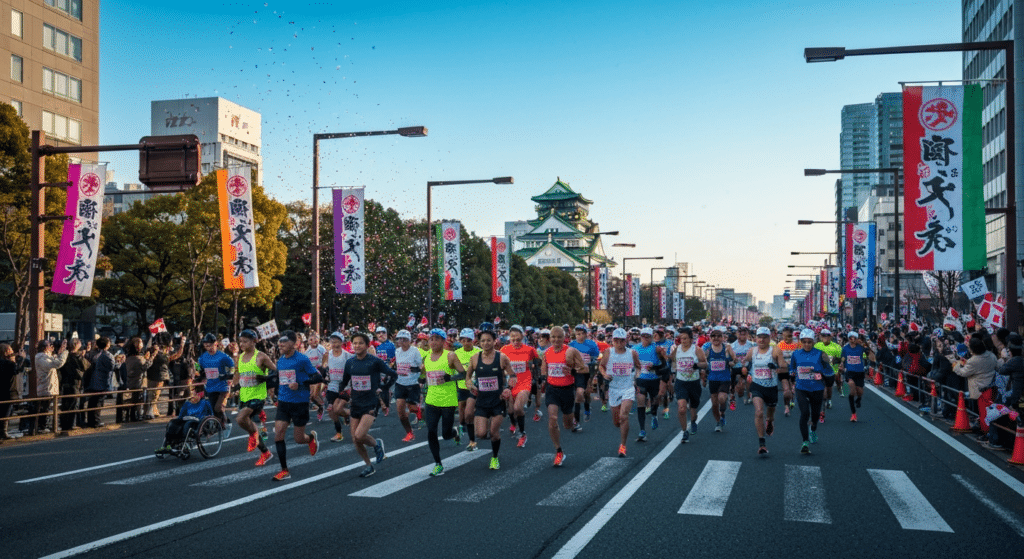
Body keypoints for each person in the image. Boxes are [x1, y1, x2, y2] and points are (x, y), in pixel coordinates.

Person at [342, 332, 398, 478]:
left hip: (371, 403)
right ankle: (368, 465)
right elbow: (345, 381)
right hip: (355, 403)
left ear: (367, 345)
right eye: (354, 343)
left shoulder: (374, 361)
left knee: (360, 435)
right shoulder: (350, 363)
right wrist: (339, 392)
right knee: (355, 439)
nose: (357, 346)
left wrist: (384, 388)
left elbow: (393, 374)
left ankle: (376, 444)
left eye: (360, 343)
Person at [271, 330, 323, 481]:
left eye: (284, 341)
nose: (280, 344)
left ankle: (311, 438)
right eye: (279, 341)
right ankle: (284, 470)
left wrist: (300, 383)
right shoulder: (280, 360)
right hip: (284, 402)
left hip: (299, 403)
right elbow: (279, 379)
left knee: (299, 439)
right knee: (278, 433)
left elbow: (317, 377)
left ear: (294, 344)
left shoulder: (302, 359)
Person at [468, 329, 515, 470]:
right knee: (480, 434)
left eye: (489, 340)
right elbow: (467, 378)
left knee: (494, 434)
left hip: (497, 400)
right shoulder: (475, 358)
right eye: (483, 340)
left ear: (495, 341)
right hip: (482, 401)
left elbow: (512, 376)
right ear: (479, 342)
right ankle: (488, 427)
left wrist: (508, 389)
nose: (486, 343)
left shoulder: (502, 357)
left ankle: (494, 457)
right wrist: (471, 386)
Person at [422, 328, 467, 476]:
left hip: (448, 400)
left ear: (443, 341)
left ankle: (454, 432)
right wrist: (420, 377)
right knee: (431, 431)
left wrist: (450, 378)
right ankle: (438, 463)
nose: (433, 342)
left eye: (436, 339)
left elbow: (463, 374)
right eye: (431, 339)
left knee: (446, 434)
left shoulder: (450, 356)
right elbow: (425, 374)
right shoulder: (427, 357)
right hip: (431, 400)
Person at [542, 326, 588, 467]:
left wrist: (572, 371)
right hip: (552, 390)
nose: (556, 340)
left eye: (559, 337)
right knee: (553, 418)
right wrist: (543, 380)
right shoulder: (547, 352)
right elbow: (545, 368)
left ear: (564, 338)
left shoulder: (571, 351)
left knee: (567, 425)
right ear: (550, 338)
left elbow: (585, 369)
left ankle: (573, 419)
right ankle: (558, 451)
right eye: (553, 337)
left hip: (567, 390)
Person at [233, 330, 276, 466]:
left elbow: (276, 372)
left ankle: (255, 433)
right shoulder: (239, 357)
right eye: (240, 342)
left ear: (254, 341)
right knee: (243, 423)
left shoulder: (261, 357)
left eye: (245, 341)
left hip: (258, 395)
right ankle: (265, 452)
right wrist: (234, 388)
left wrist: (266, 378)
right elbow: (237, 374)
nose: (242, 344)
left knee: (241, 418)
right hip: (245, 395)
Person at [742, 327, 786, 455]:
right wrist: (745, 368)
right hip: (757, 386)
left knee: (770, 414)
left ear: (769, 338)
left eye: (764, 337)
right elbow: (745, 361)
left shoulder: (775, 351)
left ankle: (770, 421)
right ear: (756, 338)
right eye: (759, 337)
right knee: (759, 412)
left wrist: (777, 366)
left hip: (771, 388)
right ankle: (762, 443)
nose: (761, 340)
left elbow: (783, 365)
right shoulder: (753, 351)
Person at [599, 328, 642, 457]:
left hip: (628, 388)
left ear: (626, 340)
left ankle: (622, 446)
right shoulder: (608, 352)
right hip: (613, 389)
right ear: (612, 340)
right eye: (616, 340)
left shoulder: (632, 353)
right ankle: (622, 432)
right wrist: (605, 374)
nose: (619, 343)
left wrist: (636, 376)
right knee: (617, 422)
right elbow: (601, 366)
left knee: (624, 416)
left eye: (621, 340)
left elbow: (638, 367)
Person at [791, 329, 830, 454]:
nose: (807, 344)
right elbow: (792, 369)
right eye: (804, 342)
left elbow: (829, 371)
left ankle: (813, 429)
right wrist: (791, 377)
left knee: (815, 414)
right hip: (801, 388)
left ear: (813, 342)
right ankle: (805, 442)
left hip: (817, 388)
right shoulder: (796, 354)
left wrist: (823, 377)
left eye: (809, 342)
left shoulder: (820, 354)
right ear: (801, 342)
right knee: (804, 413)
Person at [951, 337, 998, 436]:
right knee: (990, 412)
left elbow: (964, 372)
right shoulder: (991, 355)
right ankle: (988, 432)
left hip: (980, 389)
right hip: (992, 387)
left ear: (973, 349)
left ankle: (986, 434)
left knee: (983, 413)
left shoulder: (974, 360)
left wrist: (956, 366)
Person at [502, 325, 540, 448]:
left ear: (522, 337)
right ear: (509, 337)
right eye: (513, 339)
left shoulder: (529, 350)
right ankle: (513, 423)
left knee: (518, 408)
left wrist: (536, 372)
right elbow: (500, 366)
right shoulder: (504, 350)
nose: (515, 341)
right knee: (511, 411)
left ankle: (522, 434)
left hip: (525, 381)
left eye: (518, 339)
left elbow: (538, 362)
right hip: (511, 383)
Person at [671, 327, 707, 443]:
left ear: (691, 339)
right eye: (681, 338)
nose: (683, 341)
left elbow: (705, 364)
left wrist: (696, 366)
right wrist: (664, 357)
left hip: (694, 383)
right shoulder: (677, 349)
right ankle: (684, 431)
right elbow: (671, 359)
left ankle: (693, 422)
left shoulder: (696, 350)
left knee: (693, 409)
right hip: (681, 382)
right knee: (681, 408)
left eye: (685, 338)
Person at [633, 327, 668, 441]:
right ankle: (642, 430)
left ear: (652, 337)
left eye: (648, 336)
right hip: (640, 380)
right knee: (641, 402)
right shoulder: (635, 349)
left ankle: (654, 414)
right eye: (643, 336)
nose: (645, 338)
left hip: (654, 380)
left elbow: (664, 365)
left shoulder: (657, 349)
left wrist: (654, 367)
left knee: (655, 401)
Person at [155, 386, 214, 454]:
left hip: (198, 421)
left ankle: (183, 445)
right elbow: (181, 415)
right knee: (173, 423)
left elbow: (210, 415)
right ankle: (167, 445)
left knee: (187, 425)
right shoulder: (187, 403)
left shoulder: (205, 402)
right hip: (186, 419)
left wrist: (204, 419)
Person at [197, 333, 234, 434]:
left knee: (218, 407)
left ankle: (225, 423)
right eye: (206, 346)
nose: (209, 348)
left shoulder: (223, 356)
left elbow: (232, 366)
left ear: (216, 344)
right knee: (212, 409)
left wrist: (228, 376)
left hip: (222, 386)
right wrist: (201, 375)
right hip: (210, 387)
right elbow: (199, 368)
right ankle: (217, 425)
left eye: (210, 345)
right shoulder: (203, 357)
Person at [393, 330, 423, 442]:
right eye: (400, 339)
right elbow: (398, 365)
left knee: (412, 408)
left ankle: (419, 410)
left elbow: (421, 367)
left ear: (409, 340)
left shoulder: (415, 351)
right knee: (400, 411)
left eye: (405, 339)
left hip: (412, 383)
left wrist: (414, 370)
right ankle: (409, 433)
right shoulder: (397, 351)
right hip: (400, 383)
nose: (402, 341)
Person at [705, 327, 737, 432]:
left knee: (722, 398)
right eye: (713, 336)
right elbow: (702, 361)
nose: (716, 338)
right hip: (713, 379)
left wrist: (730, 361)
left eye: (719, 336)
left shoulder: (727, 347)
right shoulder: (707, 348)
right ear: (710, 338)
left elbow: (735, 360)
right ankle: (718, 422)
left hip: (725, 378)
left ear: (722, 338)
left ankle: (722, 413)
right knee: (714, 403)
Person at [454, 328, 481, 450]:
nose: (465, 343)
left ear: (473, 340)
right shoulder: (456, 353)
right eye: (463, 340)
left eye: (468, 340)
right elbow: (452, 370)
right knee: (462, 413)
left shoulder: (479, 352)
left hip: (476, 387)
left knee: (469, 412)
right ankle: (463, 430)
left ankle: (472, 441)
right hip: (461, 387)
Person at [323, 332, 353, 443]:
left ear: (342, 342)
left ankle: (351, 413)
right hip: (332, 386)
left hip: (344, 386)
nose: (334, 344)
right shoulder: (327, 354)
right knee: (331, 411)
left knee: (338, 409)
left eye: (336, 341)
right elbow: (323, 367)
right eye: (332, 341)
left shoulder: (347, 355)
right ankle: (339, 433)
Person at [34, 339, 68, 433]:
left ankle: (46, 426)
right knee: (45, 408)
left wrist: (59, 352)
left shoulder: (45, 356)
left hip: (49, 387)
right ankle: (42, 427)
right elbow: (57, 363)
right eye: (50, 345)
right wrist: (65, 353)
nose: (52, 347)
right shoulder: (41, 358)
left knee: (48, 408)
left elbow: (54, 359)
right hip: (46, 388)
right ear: (45, 348)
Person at [569, 325, 600, 426]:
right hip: (577, 373)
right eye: (578, 334)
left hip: (589, 372)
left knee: (587, 393)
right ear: (575, 335)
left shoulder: (591, 344)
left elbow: (596, 358)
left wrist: (593, 372)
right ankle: (576, 420)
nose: (580, 336)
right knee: (579, 393)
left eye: (582, 333)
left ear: (586, 334)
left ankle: (587, 407)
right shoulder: (571, 345)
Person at [839, 332, 874, 422]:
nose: (853, 339)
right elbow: (843, 358)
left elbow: (870, 355)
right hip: (849, 372)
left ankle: (859, 399)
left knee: (860, 391)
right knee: (851, 386)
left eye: (855, 337)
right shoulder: (845, 348)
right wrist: (842, 364)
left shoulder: (861, 348)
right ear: (848, 338)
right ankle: (853, 414)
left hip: (859, 372)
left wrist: (865, 345)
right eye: (851, 337)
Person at [83, 337, 114, 428]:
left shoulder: (96, 354)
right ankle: (96, 421)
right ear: (107, 345)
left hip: (94, 380)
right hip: (102, 382)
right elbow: (112, 367)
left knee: (93, 402)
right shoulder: (107, 355)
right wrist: (118, 361)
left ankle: (91, 421)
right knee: (98, 402)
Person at [814, 329, 842, 421]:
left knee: (829, 389)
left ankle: (829, 400)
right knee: (823, 390)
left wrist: (836, 362)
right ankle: (822, 408)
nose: (825, 337)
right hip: (820, 371)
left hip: (831, 371)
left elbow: (841, 359)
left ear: (831, 336)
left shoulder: (837, 347)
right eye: (823, 335)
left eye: (827, 335)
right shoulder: (817, 346)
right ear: (820, 337)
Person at [776, 326, 800, 417]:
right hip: (783, 371)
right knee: (786, 391)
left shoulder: (797, 345)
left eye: (789, 336)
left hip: (794, 371)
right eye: (785, 336)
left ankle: (792, 399)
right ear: (782, 335)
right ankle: (786, 407)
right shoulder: (779, 345)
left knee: (792, 389)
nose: (787, 338)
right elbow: (775, 358)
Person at [730, 326, 755, 409]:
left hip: (747, 367)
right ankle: (733, 396)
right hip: (735, 368)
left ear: (747, 335)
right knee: (737, 390)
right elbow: (729, 359)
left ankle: (748, 394)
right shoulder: (732, 346)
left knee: (748, 379)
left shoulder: (751, 344)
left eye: (744, 334)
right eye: (740, 334)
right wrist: (732, 362)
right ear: (737, 334)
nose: (742, 336)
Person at [0, 343, 18, 439]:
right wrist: (15, 361)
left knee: (3, 412)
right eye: (11, 350)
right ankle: (3, 432)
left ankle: (2, 431)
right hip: (9, 391)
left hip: (2, 390)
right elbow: (15, 372)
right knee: (6, 413)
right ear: (7, 352)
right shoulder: (8, 363)